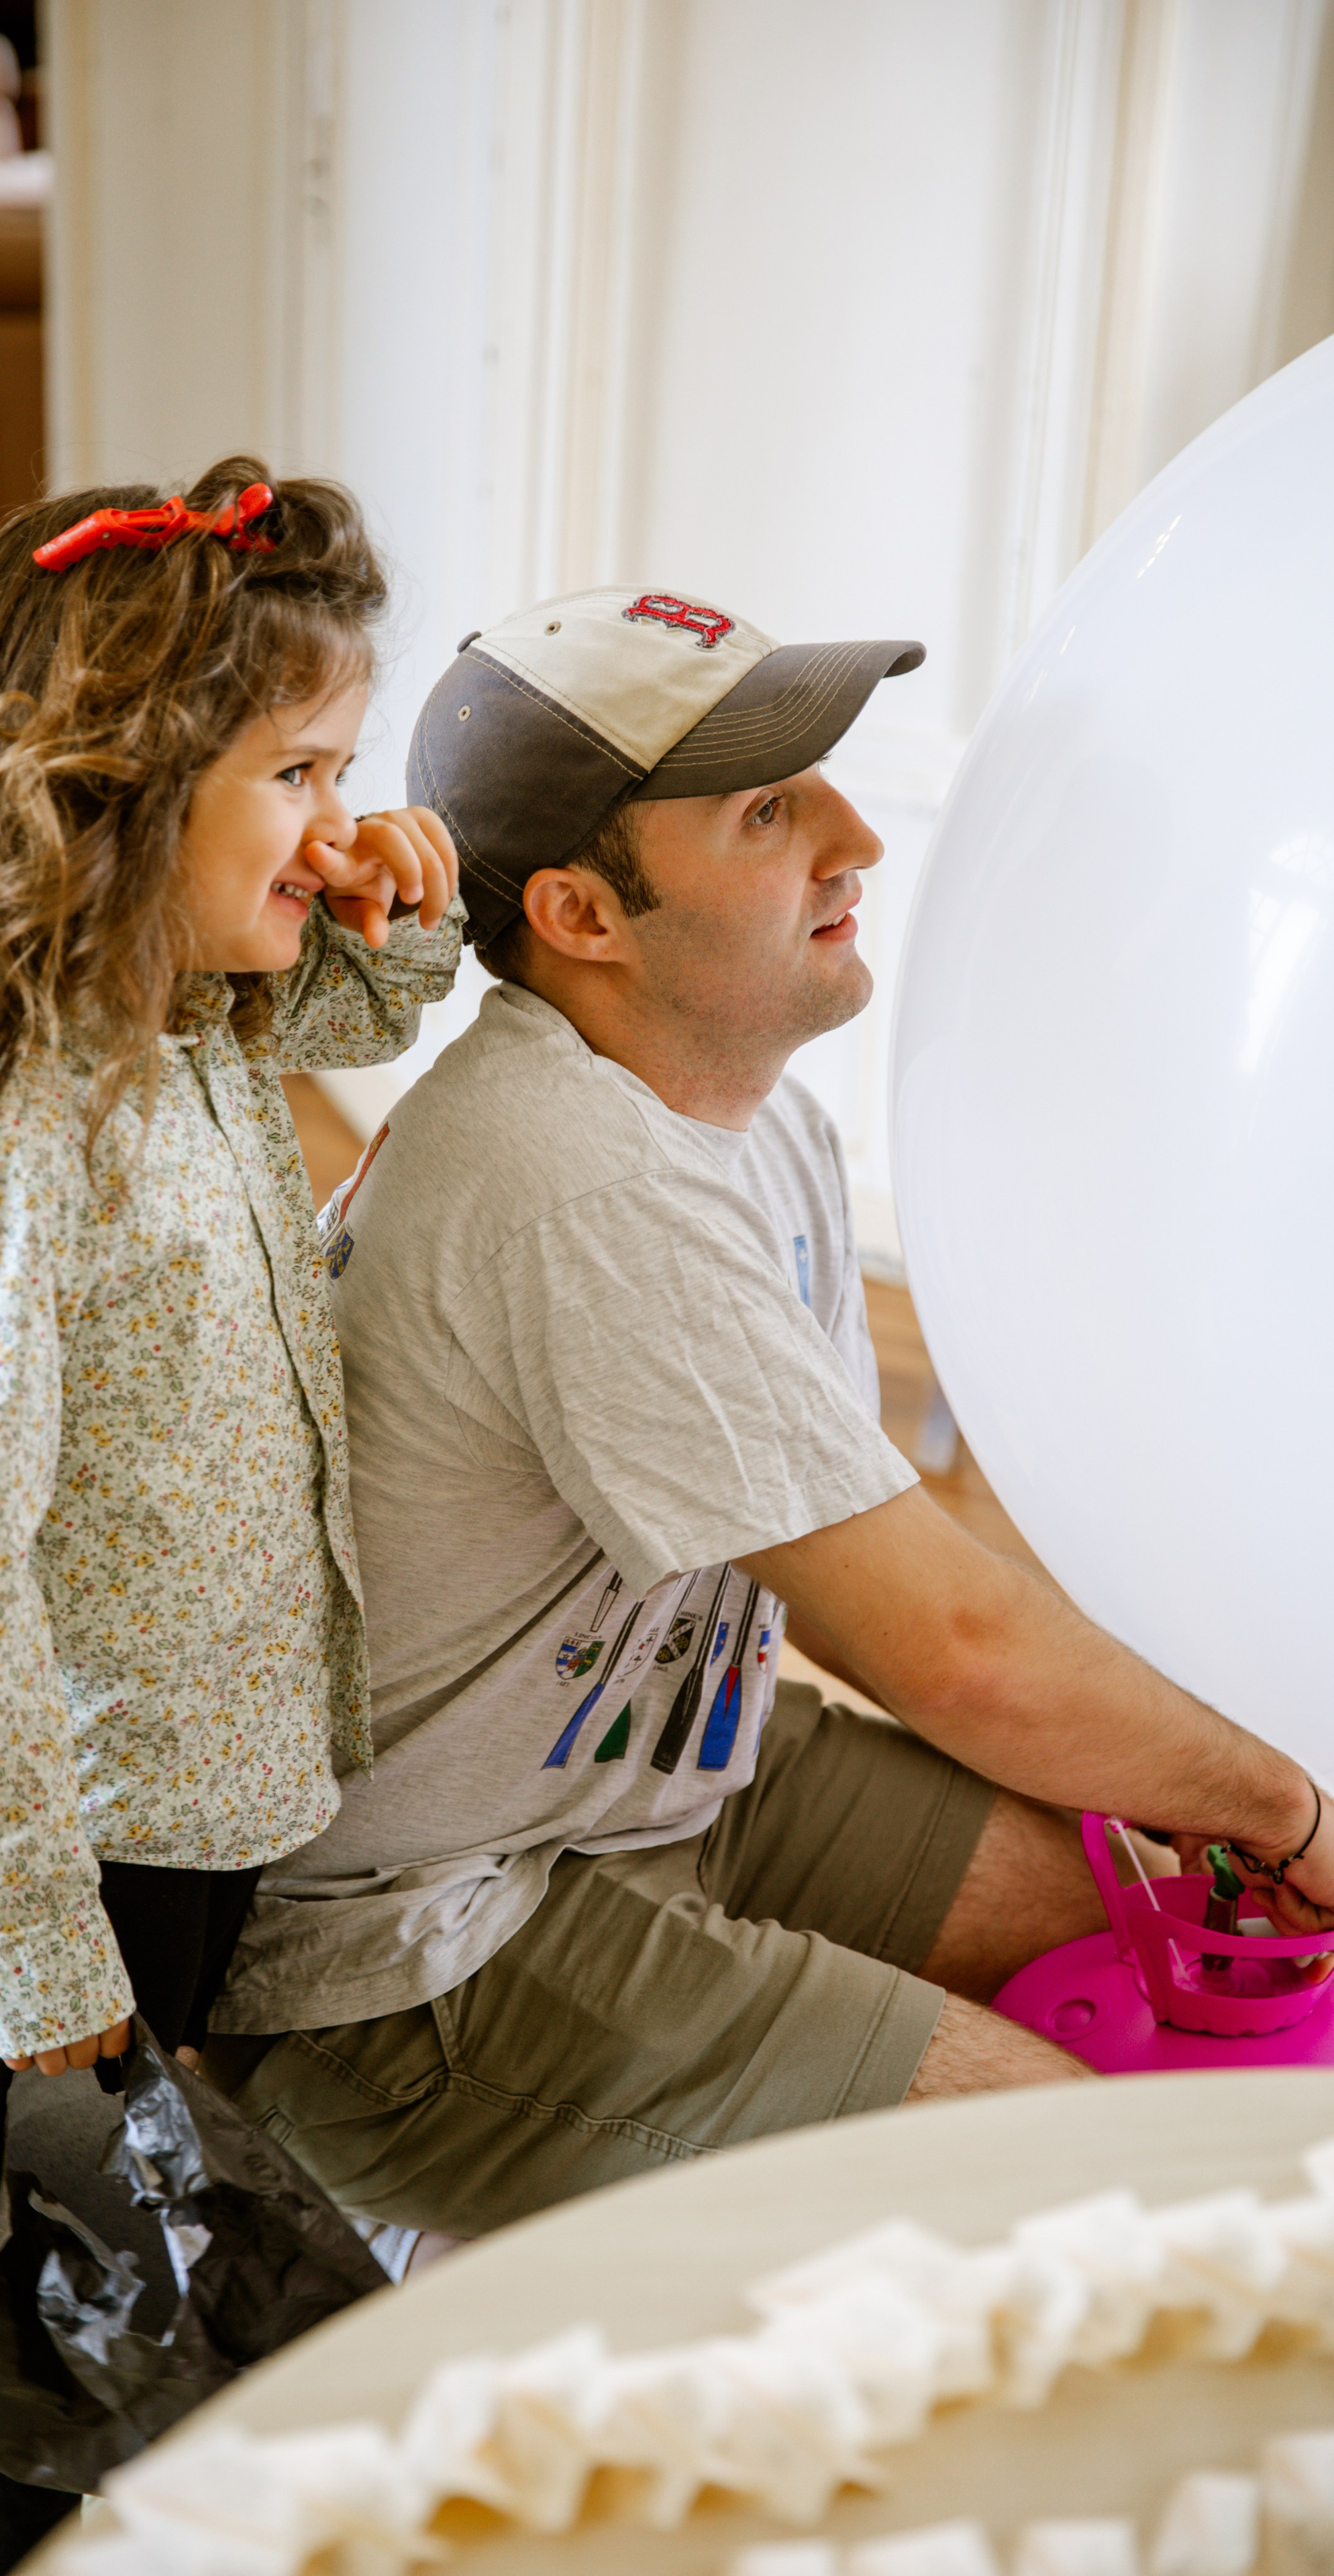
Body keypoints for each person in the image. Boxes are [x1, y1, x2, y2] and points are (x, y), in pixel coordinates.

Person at [201, 582, 1334, 2248]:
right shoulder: (568, 1182)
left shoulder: (741, 1118)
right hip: (412, 1958)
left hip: (651, 1774)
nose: (856, 836)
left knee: (1126, 1897)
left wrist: (1198, 1800)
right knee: (1077, 2187)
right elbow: (948, 1648)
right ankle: (488, 2258)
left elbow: (890, 1560)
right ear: (584, 915)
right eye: (766, 808)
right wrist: (1284, 1805)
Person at [0, 460, 460, 2573]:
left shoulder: (205, 1014)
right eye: (299, 767)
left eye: (352, 761)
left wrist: (387, 889)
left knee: (164, 2286)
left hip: (228, 1780)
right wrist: (36, 1951)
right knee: (67, 2325)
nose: (340, 814)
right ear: (125, 792)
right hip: (99, 1830)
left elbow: (356, 995)